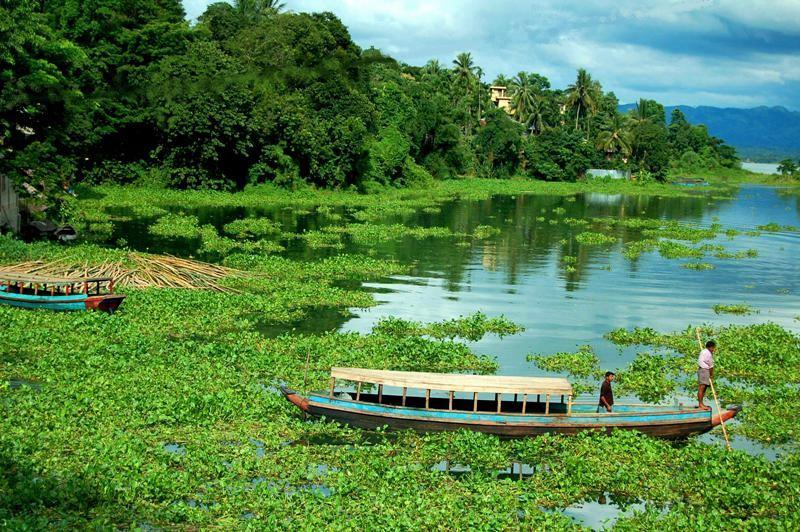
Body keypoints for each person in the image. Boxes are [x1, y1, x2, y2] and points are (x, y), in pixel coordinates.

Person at [697, 340, 716, 410]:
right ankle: (700, 404)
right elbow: (711, 366)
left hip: (701, 370)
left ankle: (701, 403)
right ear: (710, 347)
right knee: (702, 388)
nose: (713, 350)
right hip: (704, 370)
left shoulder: (703, 351)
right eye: (713, 348)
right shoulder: (708, 353)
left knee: (703, 388)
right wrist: (711, 375)